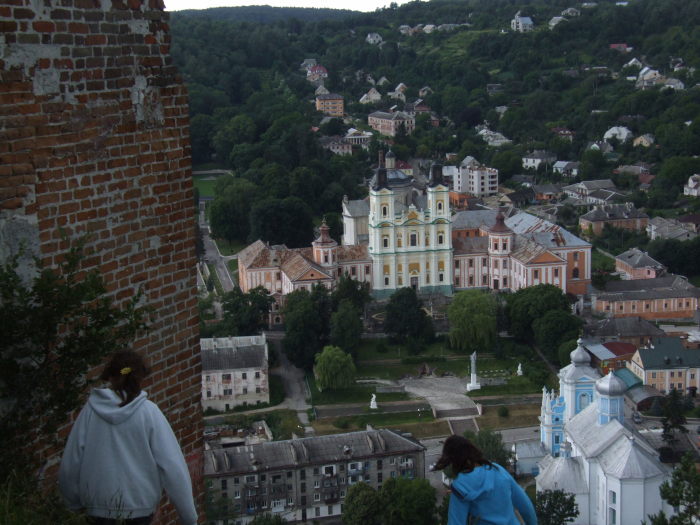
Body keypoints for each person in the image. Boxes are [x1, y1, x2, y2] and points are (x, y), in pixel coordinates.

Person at [59, 351, 198, 525]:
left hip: (96, 510)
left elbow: (70, 464)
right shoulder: (149, 413)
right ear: (140, 378)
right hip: (139, 510)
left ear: (110, 376)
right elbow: (173, 467)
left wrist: (73, 503)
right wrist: (189, 517)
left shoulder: (90, 412)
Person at [434, 435, 537, 525]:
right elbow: (526, 506)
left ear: (454, 461)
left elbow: (456, 522)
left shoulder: (460, 487)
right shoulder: (498, 470)